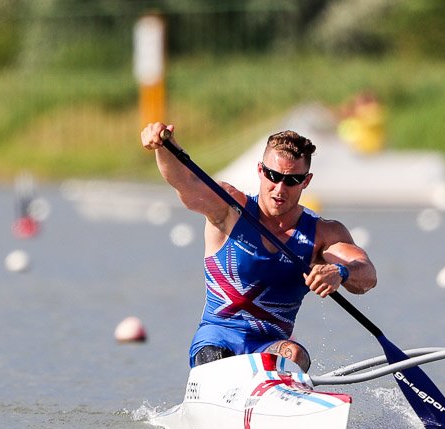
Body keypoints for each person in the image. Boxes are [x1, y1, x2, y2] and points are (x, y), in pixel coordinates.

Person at [141, 123, 377, 371]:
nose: (279, 189)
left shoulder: (322, 234)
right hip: (217, 340)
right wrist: (163, 146)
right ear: (260, 171)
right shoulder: (229, 209)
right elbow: (186, 180)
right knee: (218, 357)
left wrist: (341, 272)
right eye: (273, 176)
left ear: (306, 182)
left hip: (270, 346)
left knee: (295, 354)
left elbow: (367, 274)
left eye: (292, 180)